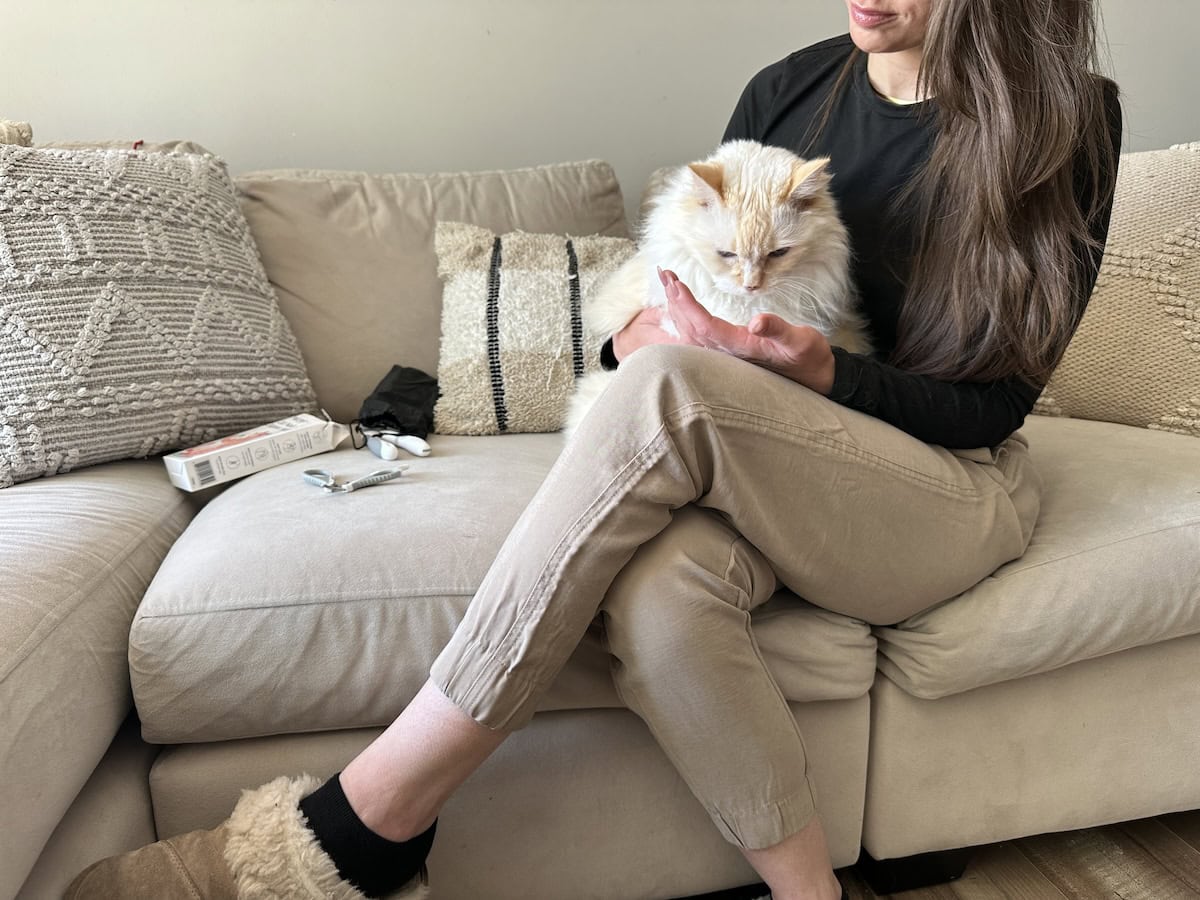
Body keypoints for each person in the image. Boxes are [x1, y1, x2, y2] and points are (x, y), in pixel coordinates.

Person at [66, 1, 1121, 898]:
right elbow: (673, 305)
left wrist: (814, 370)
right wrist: (638, 336)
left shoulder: (1064, 122)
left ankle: (362, 827)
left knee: (667, 391)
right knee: (658, 589)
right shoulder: (793, 91)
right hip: (777, 466)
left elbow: (992, 409)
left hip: (942, 490)